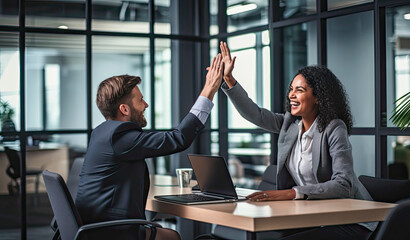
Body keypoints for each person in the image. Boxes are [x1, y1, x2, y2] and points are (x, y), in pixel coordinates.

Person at [219, 41, 376, 240]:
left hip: (350, 219)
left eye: (300, 90)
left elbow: (343, 184)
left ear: (319, 97)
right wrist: (229, 78)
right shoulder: (289, 125)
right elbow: (255, 114)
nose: (291, 95)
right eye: (291, 89)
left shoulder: (334, 128)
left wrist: (291, 193)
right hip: (313, 215)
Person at [75, 54, 224, 240]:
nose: (146, 105)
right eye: (140, 100)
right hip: (111, 231)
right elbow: (178, 138)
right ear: (124, 109)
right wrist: (209, 90)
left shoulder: (101, 132)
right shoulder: (119, 136)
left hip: (94, 226)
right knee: (172, 237)